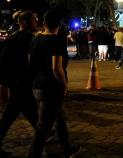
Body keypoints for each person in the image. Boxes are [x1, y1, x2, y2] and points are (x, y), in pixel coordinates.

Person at [27, 9, 80, 158]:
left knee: (59, 118)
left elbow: (30, 62)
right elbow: (56, 68)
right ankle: (33, 154)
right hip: (51, 87)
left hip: (37, 85)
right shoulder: (55, 40)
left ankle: (67, 148)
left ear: (44, 22)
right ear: (59, 24)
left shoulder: (35, 39)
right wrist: (64, 85)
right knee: (43, 127)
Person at [0, 11, 38, 157]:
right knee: (12, 114)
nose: (36, 23)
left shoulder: (13, 37)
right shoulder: (28, 39)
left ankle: (45, 133)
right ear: (25, 23)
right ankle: (46, 136)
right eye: (34, 21)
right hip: (21, 82)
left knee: (21, 112)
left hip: (17, 83)